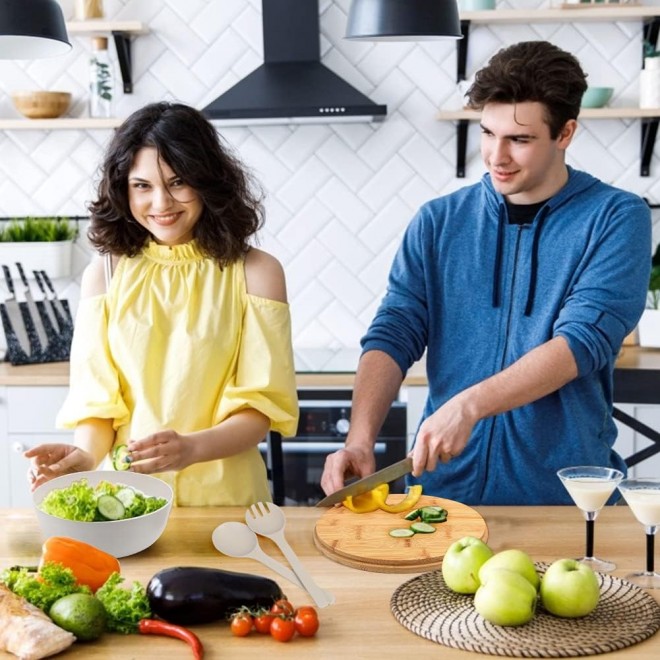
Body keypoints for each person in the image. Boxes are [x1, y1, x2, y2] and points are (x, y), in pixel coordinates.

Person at [320, 40, 652, 505]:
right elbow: (395, 330)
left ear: (565, 133)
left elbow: (581, 342)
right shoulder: (439, 221)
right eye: (488, 133)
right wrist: (359, 438)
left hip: (563, 500)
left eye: (519, 139)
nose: (496, 156)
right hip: (443, 498)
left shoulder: (615, 217)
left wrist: (470, 405)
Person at [25, 102, 299, 506]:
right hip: (126, 502)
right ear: (123, 188)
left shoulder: (256, 272)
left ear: (208, 181)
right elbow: (98, 404)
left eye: (178, 182)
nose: (161, 203)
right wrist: (83, 456)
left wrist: (190, 449)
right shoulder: (105, 273)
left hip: (227, 505)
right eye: (142, 186)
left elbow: (259, 411)